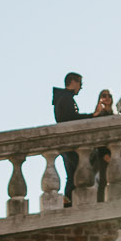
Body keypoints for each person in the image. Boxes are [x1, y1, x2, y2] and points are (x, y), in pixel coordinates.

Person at [52, 71, 83, 201]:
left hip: (65, 143)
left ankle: (69, 199)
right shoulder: (66, 98)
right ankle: (69, 200)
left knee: (71, 173)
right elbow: (72, 118)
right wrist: (92, 116)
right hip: (69, 142)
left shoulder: (62, 98)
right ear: (73, 82)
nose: (81, 87)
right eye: (80, 83)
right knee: (73, 173)